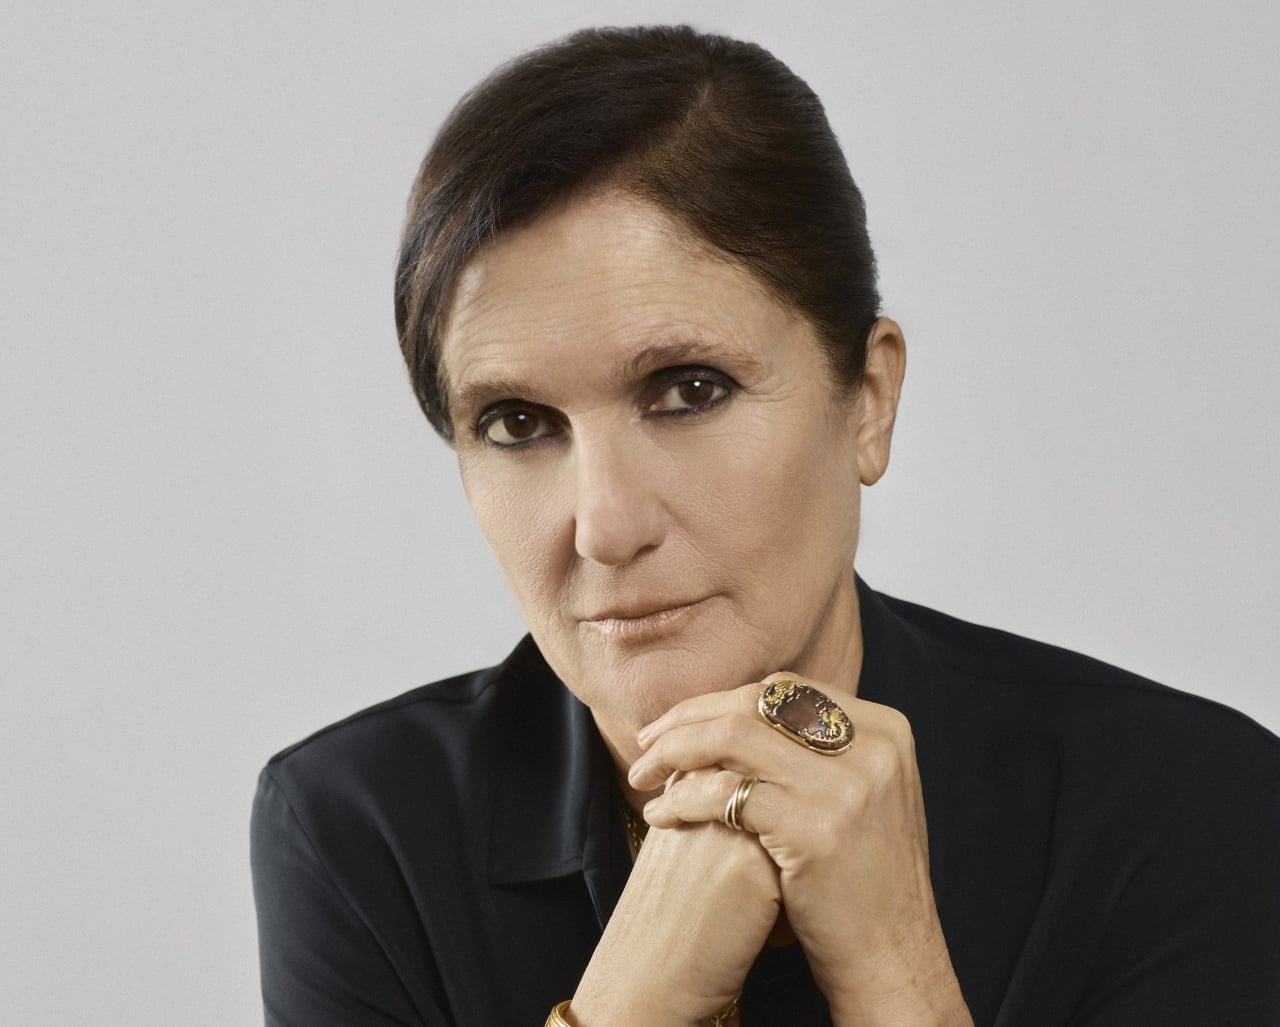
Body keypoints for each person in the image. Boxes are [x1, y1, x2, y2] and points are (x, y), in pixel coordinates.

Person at [250, 25, 1280, 1027]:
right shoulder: (362, 829)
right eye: (517, 423)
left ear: (866, 400)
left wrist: (893, 972)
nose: (605, 526)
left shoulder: (1188, 806)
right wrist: (631, 1004)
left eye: (688, 390)